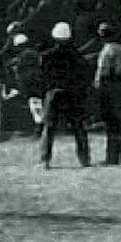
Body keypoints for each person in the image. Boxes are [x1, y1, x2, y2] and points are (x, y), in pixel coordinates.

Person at [39, 22, 91, 169]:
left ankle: (45, 160)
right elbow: (84, 75)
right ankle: (84, 159)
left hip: (53, 92)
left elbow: (41, 76)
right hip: (73, 93)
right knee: (78, 127)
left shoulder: (47, 56)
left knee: (49, 128)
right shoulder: (77, 55)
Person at [93, 22, 121, 165]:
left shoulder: (106, 51)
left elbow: (103, 72)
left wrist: (97, 88)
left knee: (111, 124)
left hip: (110, 88)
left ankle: (111, 157)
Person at [6, 33, 44, 137]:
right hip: (38, 82)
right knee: (37, 105)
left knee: (34, 106)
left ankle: (38, 129)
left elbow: (16, 67)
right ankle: (39, 127)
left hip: (28, 84)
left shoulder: (21, 57)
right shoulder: (35, 54)